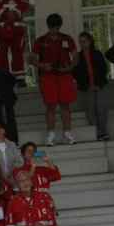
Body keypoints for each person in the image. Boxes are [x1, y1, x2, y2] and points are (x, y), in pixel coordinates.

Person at [29, 13, 78, 145]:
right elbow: (31, 58)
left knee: (65, 105)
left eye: (56, 28)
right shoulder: (41, 40)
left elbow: (75, 57)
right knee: (50, 106)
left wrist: (68, 67)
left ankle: (68, 133)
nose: (54, 30)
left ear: (59, 27)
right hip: (48, 76)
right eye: (52, 28)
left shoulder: (67, 39)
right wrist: (43, 65)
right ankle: (51, 134)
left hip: (64, 75)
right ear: (48, 27)